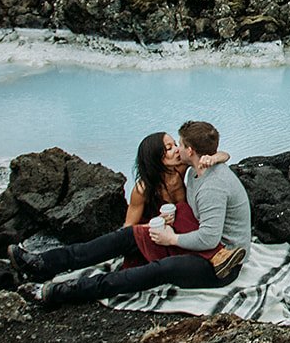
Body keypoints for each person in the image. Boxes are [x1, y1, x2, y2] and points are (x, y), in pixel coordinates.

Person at [13, 120, 250, 306]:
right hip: (199, 238)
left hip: (223, 263)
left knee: (161, 269)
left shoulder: (211, 186)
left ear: (189, 150)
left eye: (177, 144)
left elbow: (208, 237)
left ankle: (72, 291)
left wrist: (171, 238)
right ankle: (44, 263)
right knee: (129, 236)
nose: (176, 150)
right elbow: (215, 155)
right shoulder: (192, 170)